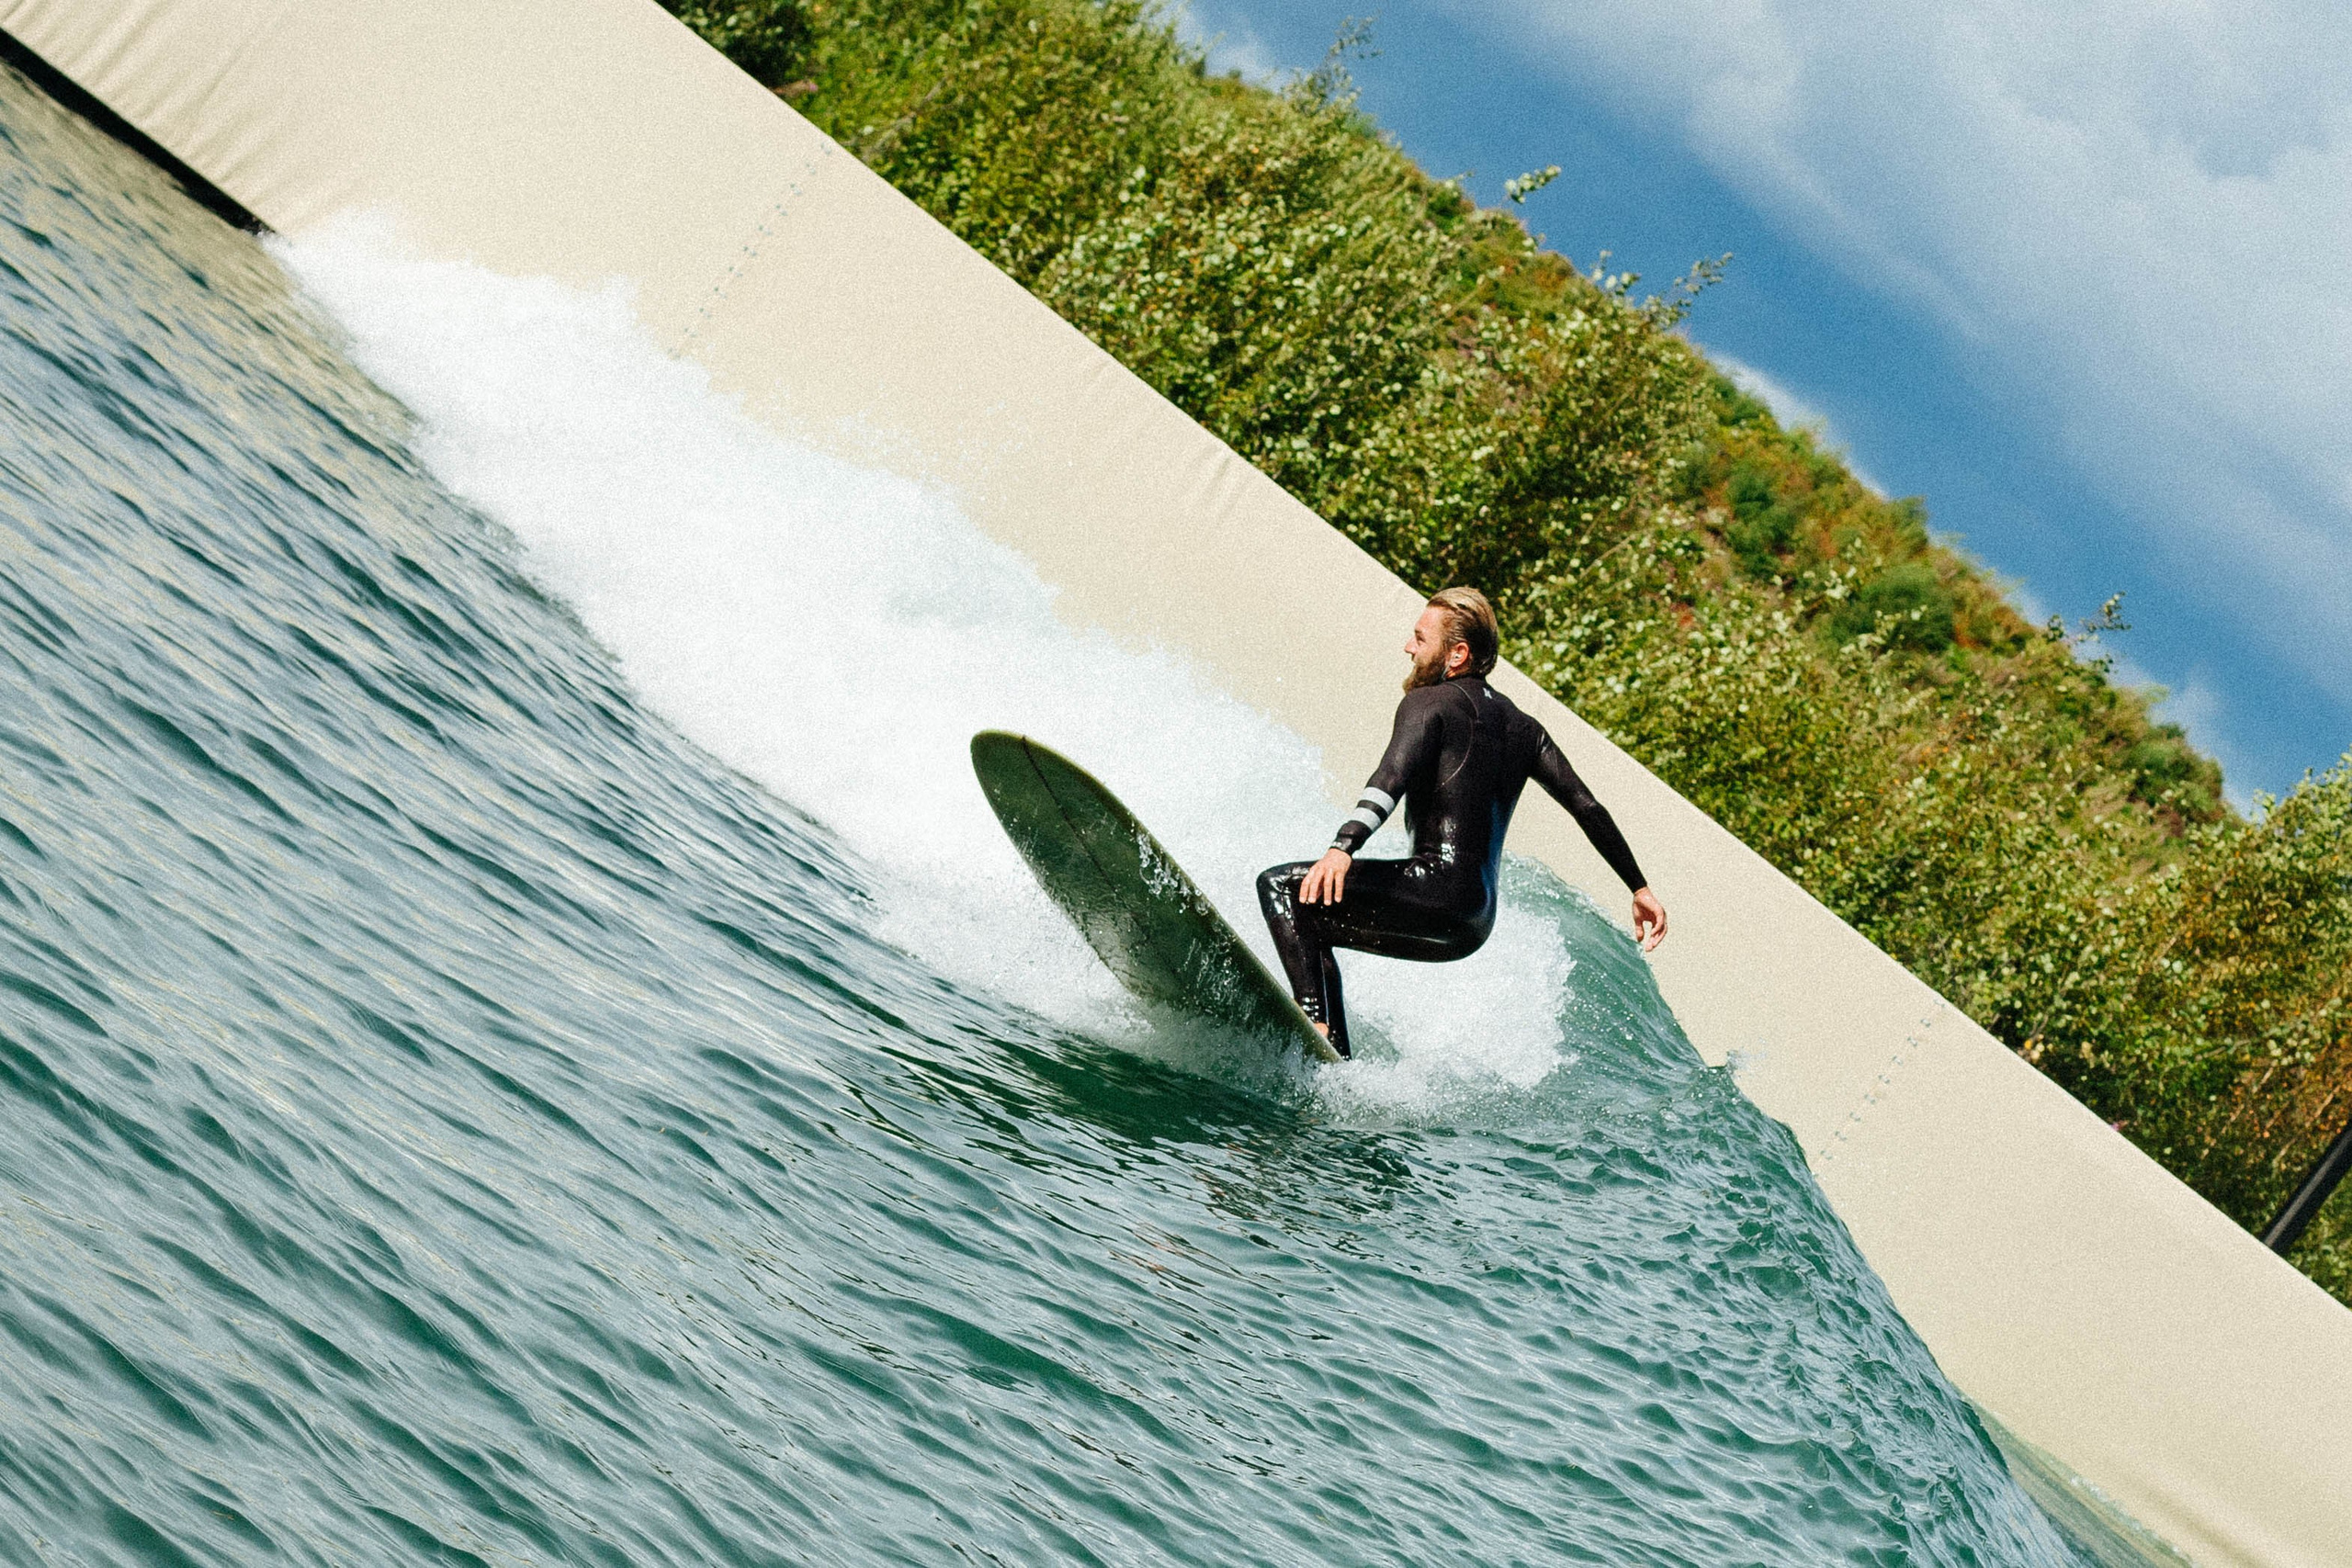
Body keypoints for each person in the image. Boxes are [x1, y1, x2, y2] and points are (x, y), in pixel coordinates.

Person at [1257, 587, 1667, 1058]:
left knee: (1284, 888)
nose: (1408, 648)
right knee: (1316, 922)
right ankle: (1335, 1057)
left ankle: (1313, 1020)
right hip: (1473, 921)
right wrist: (1639, 887)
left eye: (1419, 638)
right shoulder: (1526, 728)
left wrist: (1342, 848)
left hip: (1431, 889)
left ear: (1457, 654)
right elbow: (1587, 807)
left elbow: (1390, 778)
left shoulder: (1429, 703)